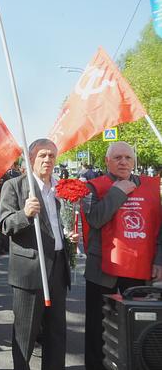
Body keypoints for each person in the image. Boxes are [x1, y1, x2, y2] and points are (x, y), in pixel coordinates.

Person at [82, 141, 162, 370]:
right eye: (117, 158)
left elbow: (159, 228)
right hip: (103, 269)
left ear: (134, 161)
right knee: (98, 327)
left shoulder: (150, 186)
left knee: (140, 325)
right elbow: (95, 219)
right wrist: (118, 191)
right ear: (107, 161)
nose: (123, 161)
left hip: (140, 268)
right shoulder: (93, 187)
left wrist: (159, 261)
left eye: (127, 157)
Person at [0, 138, 76, 370]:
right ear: (31, 159)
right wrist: (24, 214)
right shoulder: (15, 186)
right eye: (42, 155)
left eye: (51, 155)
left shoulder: (61, 188)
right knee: (25, 335)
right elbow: (4, 225)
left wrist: (70, 237)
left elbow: (60, 224)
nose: (47, 160)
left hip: (58, 270)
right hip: (30, 272)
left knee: (56, 333)